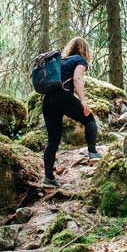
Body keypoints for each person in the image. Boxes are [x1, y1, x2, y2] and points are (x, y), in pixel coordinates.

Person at [42, 35, 102, 187]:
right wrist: (83, 101)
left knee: (53, 140)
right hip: (62, 96)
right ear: (85, 50)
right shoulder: (80, 61)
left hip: (47, 100)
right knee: (89, 119)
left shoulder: (60, 62)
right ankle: (93, 152)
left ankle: (48, 178)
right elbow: (77, 79)